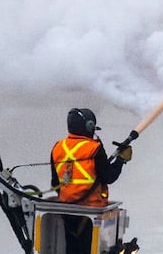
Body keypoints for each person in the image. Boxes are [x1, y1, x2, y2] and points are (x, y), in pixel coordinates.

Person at [51, 108, 132, 254]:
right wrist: (121, 160)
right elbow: (109, 176)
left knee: (72, 249)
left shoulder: (58, 147)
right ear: (88, 126)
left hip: (67, 212)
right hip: (91, 213)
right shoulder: (94, 149)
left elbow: (55, 184)